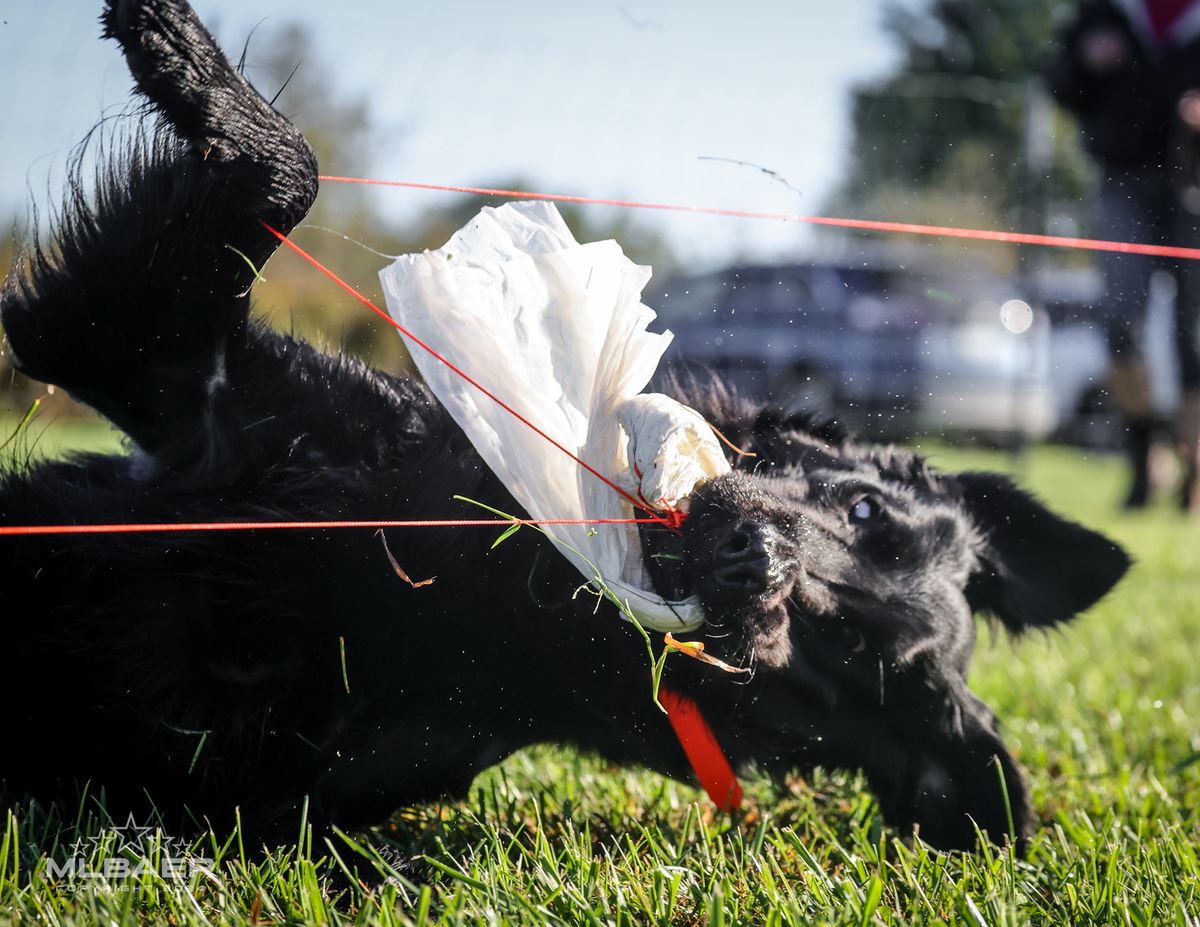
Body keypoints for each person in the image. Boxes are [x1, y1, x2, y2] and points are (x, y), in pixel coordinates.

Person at [1045, 0, 1200, 510]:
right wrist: (1088, 59)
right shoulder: (1105, 10)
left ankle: (1195, 468)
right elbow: (1059, 81)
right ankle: (1142, 460)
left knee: (1194, 332)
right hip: (1123, 180)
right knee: (1119, 321)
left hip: (1194, 183)